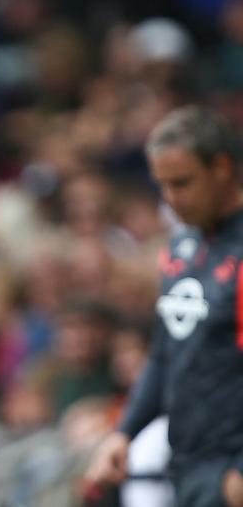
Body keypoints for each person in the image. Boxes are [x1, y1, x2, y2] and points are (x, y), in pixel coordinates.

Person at [86, 106, 243, 507]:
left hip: (229, 470)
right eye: (163, 186)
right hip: (188, 464)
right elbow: (165, 353)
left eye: (183, 183)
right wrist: (124, 432)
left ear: (222, 168)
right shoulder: (181, 249)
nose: (172, 199)